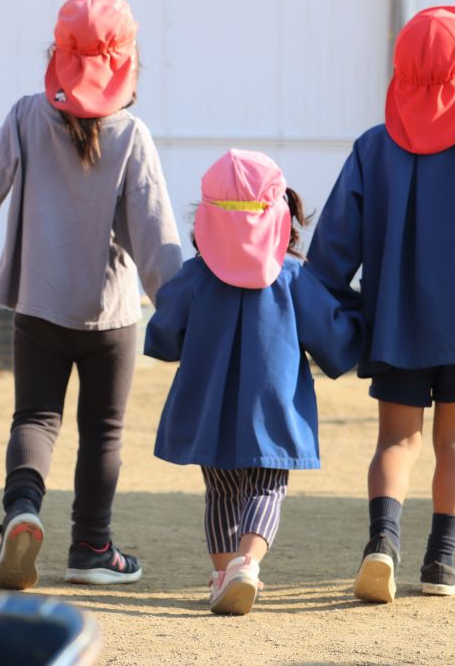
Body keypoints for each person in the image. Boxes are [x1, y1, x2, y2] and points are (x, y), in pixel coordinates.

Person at [0, 0, 183, 589]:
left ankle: (22, 511)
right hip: (110, 317)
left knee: (35, 417)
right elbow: (155, 236)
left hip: (38, 304)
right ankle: (91, 546)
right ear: (126, 64)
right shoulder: (131, 136)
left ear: (57, 58)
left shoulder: (26, 117)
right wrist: (185, 316)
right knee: (103, 431)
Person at [306, 7, 455, 602]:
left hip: (394, 322)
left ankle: (381, 544)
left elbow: (333, 250)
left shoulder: (370, 149)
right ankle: (441, 563)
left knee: (396, 441)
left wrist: (336, 310)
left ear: (397, 76)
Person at [144, 149, 364, 615]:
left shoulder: (196, 277)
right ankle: (248, 563)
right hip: (274, 407)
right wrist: (365, 320)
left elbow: (164, 331)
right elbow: (335, 337)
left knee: (221, 490)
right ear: (281, 215)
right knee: (267, 487)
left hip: (209, 408)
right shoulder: (292, 278)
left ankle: (224, 573)